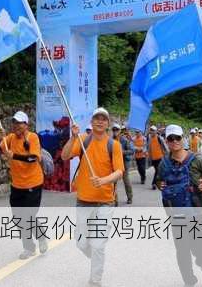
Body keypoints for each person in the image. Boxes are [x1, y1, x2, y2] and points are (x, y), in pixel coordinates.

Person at [61, 107, 124, 287]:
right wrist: (73, 137)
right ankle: (96, 256)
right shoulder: (82, 140)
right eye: (97, 118)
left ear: (107, 123)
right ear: (92, 121)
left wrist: (103, 180)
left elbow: (119, 171)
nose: (100, 121)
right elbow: (65, 156)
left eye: (103, 119)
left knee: (98, 245)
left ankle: (95, 280)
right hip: (83, 201)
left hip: (105, 202)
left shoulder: (114, 145)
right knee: (81, 244)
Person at [157, 124, 202, 286]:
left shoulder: (196, 159)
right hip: (176, 213)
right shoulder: (164, 163)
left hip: (199, 212)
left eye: (177, 138)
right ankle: (189, 281)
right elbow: (159, 180)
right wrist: (160, 184)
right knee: (182, 250)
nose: (175, 141)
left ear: (182, 139)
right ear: (167, 141)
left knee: (199, 248)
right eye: (171, 138)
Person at [0, 111, 47, 260]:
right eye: (14, 123)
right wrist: (0, 137)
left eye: (20, 123)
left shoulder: (32, 137)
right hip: (17, 185)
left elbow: (33, 158)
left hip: (33, 183)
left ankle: (40, 237)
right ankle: (29, 248)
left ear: (26, 125)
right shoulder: (10, 138)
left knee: (29, 215)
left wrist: (14, 155)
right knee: (18, 218)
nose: (17, 126)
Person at [112, 123, 134, 204]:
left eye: (116, 130)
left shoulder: (124, 140)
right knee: (113, 182)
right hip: (114, 163)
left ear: (120, 131)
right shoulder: (110, 140)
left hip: (124, 163)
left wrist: (122, 152)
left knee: (126, 181)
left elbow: (132, 151)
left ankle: (130, 197)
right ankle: (115, 200)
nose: (115, 131)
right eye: (113, 130)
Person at [148, 125, 168, 189]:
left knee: (158, 170)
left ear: (156, 131)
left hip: (160, 157)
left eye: (153, 130)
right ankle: (161, 182)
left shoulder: (159, 138)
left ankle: (154, 183)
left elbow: (165, 147)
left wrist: (168, 155)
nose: (151, 132)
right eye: (151, 130)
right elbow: (149, 148)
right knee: (158, 171)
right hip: (153, 158)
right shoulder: (149, 139)